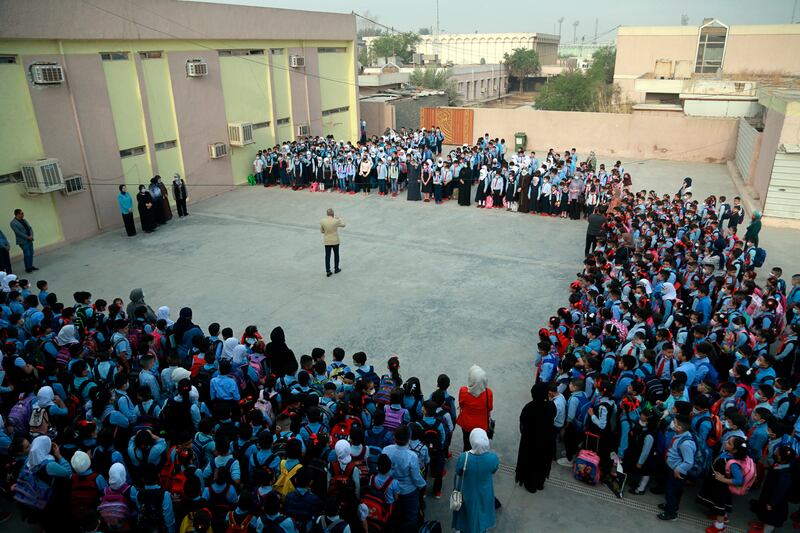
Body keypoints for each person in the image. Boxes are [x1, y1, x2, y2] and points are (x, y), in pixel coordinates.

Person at [452, 428, 500, 533]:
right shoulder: (493, 458)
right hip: (485, 491)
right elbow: (493, 470)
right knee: (482, 512)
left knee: (466, 513)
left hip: (467, 491)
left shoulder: (464, 457)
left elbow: (458, 472)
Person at [515, 382, 556, 493]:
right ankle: (539, 482)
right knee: (542, 460)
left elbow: (522, 422)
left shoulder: (529, 407)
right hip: (546, 440)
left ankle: (530, 484)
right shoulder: (551, 406)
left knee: (530, 461)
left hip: (530, 440)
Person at [456, 365, 493, 452]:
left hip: (467, 424)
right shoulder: (488, 393)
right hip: (482, 426)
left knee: (467, 444)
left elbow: (461, 405)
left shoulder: (463, 391)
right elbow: (490, 408)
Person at [320, 208, 345, 278]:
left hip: (327, 240)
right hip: (335, 240)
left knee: (327, 256)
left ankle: (328, 271)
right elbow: (343, 225)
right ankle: (336, 269)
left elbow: (322, 231)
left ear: (327, 214)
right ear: (333, 214)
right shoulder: (335, 221)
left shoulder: (322, 221)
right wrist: (339, 218)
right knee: (336, 254)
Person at [10, 208, 37, 273]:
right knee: (27, 254)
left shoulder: (24, 220)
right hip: (23, 241)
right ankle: (27, 268)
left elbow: (29, 228)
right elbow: (18, 232)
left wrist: (31, 235)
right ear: (17, 214)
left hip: (29, 239)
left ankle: (30, 266)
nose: (23, 214)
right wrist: (27, 237)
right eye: (21, 213)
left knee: (31, 253)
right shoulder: (13, 223)